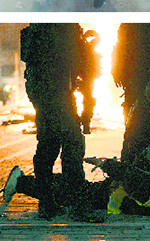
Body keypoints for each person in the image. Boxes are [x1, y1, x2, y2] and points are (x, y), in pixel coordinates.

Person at [18, 23, 97, 220]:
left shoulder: (38, 31)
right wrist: (86, 114)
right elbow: (86, 78)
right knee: (72, 148)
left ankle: (46, 204)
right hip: (60, 97)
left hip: (42, 98)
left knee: (47, 148)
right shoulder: (69, 31)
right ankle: (78, 207)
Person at [1, 145, 150, 219]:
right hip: (115, 193)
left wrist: (103, 163)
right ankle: (23, 181)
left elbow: (128, 174)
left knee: (68, 192)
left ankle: (20, 183)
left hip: (108, 196)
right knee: (71, 188)